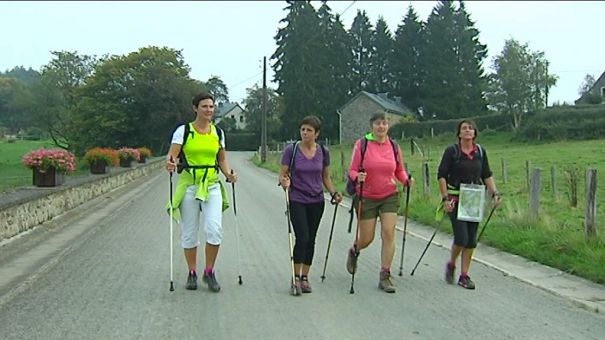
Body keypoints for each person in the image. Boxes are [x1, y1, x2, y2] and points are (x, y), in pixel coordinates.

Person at [166, 92, 238, 292]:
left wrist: (229, 174)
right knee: (189, 233)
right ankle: (191, 273)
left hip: (212, 185)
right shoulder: (184, 131)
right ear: (195, 108)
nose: (209, 110)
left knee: (214, 230)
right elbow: (172, 156)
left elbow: (221, 158)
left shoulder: (218, 133)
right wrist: (170, 163)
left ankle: (209, 271)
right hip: (189, 185)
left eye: (211, 107)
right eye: (205, 106)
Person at [346, 112, 412, 293]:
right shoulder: (362, 144)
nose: (381, 127)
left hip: (389, 194)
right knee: (367, 238)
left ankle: (385, 275)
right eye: (377, 124)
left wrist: (406, 180)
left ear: (388, 126)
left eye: (384, 123)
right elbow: (351, 170)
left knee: (389, 233)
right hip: (366, 195)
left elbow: (399, 170)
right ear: (372, 126)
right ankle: (354, 250)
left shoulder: (394, 146)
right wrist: (357, 176)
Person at [279, 115, 342, 295]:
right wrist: (285, 182)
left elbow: (325, 177)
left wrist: (333, 193)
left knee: (312, 239)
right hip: (297, 198)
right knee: (302, 237)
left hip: (317, 200)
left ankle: (305, 277)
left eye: (309, 130)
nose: (305, 133)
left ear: (317, 134)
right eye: (303, 129)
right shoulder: (291, 150)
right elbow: (283, 174)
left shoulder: (323, 151)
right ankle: (295, 276)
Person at [437, 120, 502, 290]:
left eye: (471, 128)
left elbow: (486, 174)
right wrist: (445, 198)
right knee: (461, 238)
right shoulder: (452, 151)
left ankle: (464, 275)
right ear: (459, 133)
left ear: (475, 133)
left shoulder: (480, 151)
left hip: (473, 199)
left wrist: (495, 193)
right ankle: (452, 263)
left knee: (471, 241)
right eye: (464, 128)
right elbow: (442, 175)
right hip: (455, 198)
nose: (467, 131)